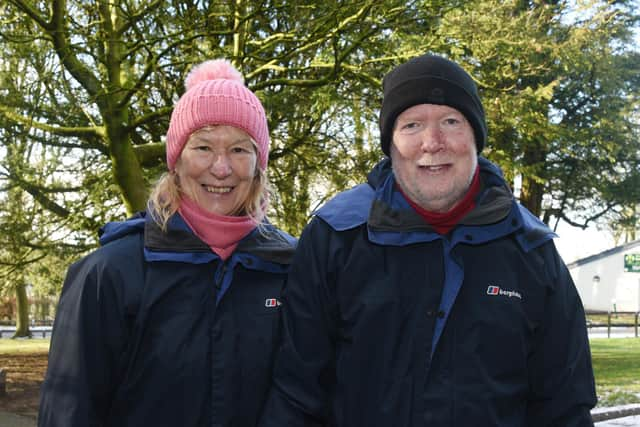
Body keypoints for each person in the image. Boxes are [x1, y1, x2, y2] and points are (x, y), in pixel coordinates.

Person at [259, 53, 596, 427]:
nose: (432, 143)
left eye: (450, 122)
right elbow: (296, 394)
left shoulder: (531, 249)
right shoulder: (336, 236)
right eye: (412, 125)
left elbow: (565, 407)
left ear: (476, 137)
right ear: (390, 143)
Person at [38, 59, 295, 427]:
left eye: (240, 150)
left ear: (259, 163)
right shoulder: (109, 274)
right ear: (175, 159)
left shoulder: (291, 268)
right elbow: (70, 411)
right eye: (203, 147)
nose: (221, 168)